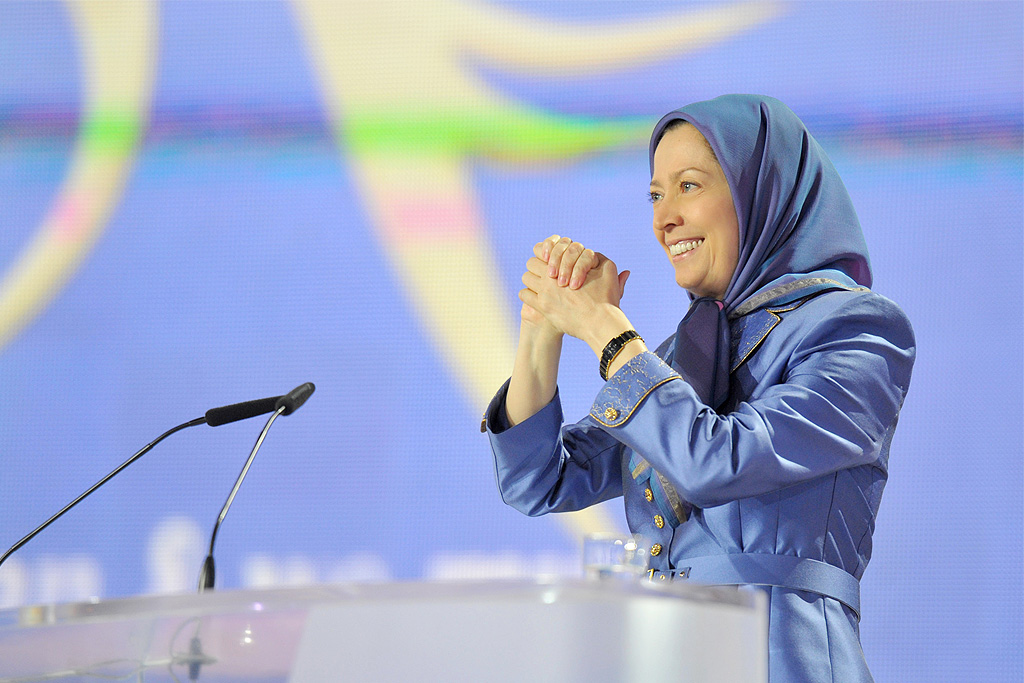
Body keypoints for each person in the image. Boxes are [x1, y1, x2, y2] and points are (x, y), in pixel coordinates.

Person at [482, 94, 916, 682]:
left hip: (782, 658)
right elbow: (539, 481)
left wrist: (605, 330)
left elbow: (718, 461)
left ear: (757, 191)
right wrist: (544, 327)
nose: (664, 217)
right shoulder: (683, 357)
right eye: (656, 194)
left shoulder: (856, 329)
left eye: (689, 186)